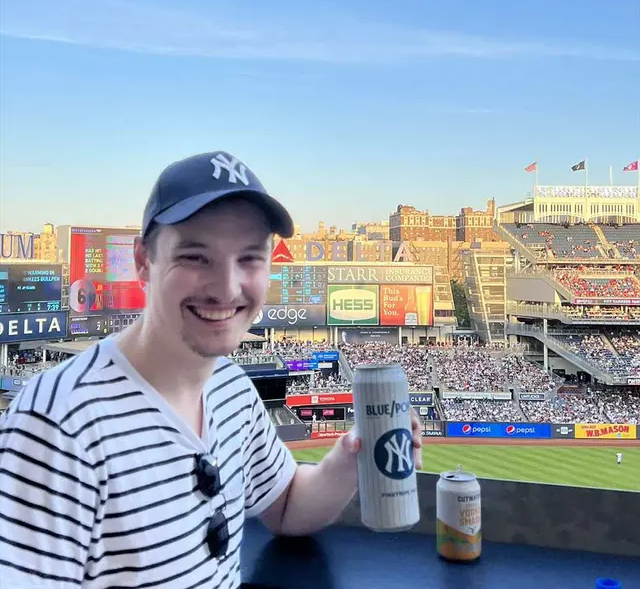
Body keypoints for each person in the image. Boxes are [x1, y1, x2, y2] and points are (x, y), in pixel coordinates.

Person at [0, 151, 423, 588]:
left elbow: (288, 505)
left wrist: (355, 455)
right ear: (144, 261)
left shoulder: (231, 386)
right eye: (196, 257)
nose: (226, 288)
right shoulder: (54, 424)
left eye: (250, 258)